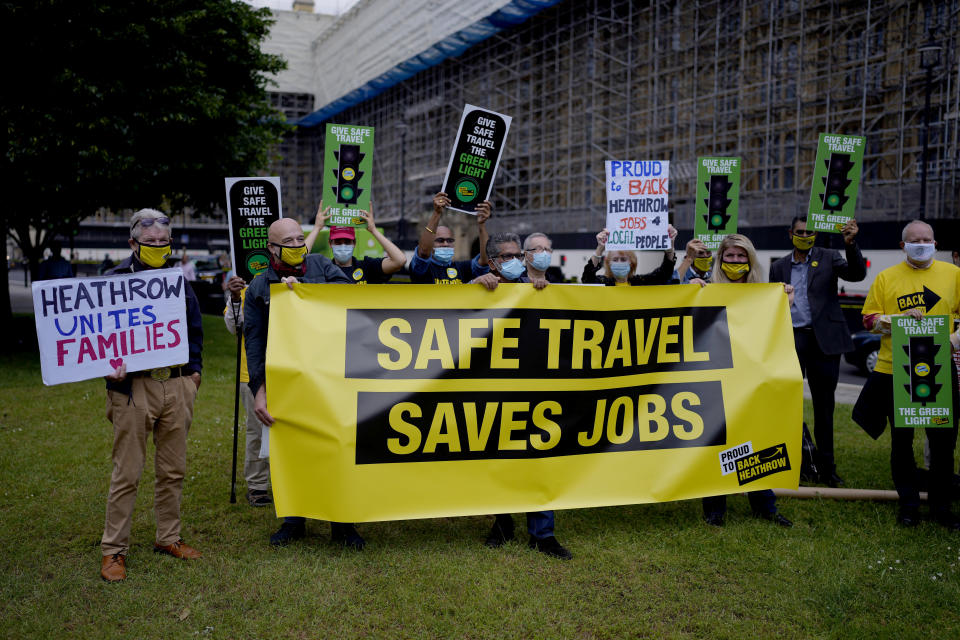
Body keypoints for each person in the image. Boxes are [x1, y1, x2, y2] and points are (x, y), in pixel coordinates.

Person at [243, 218, 367, 549]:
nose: (298, 244)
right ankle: (294, 520)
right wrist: (259, 391)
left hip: (331, 376)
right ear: (271, 248)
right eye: (289, 240)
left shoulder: (322, 266)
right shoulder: (259, 286)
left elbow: (349, 299)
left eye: (301, 237)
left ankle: (342, 523)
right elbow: (254, 344)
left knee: (337, 448)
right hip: (289, 380)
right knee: (291, 452)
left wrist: (309, 294)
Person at [99, 209, 204, 582]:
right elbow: (98, 337)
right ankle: (113, 550)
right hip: (133, 389)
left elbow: (194, 328)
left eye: (164, 242)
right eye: (150, 242)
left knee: (172, 470)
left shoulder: (178, 281)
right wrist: (107, 366)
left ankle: (168, 538)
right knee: (127, 472)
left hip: (176, 385)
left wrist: (194, 374)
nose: (159, 247)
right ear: (133, 243)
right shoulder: (112, 282)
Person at [852, 220, 960, 529]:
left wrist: (952, 341)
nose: (923, 243)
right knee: (902, 441)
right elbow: (868, 320)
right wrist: (896, 320)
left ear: (936, 243)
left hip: (939, 368)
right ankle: (909, 505)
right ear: (903, 246)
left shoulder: (954, 275)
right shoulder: (886, 278)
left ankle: (941, 508)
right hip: (894, 370)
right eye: (916, 240)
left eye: (928, 239)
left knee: (942, 441)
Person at [470, 232, 571, 559]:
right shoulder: (481, 286)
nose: (517, 260)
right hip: (495, 388)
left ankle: (543, 534)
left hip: (537, 387)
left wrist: (541, 290)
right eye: (508, 255)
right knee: (499, 460)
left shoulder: (538, 286)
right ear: (494, 262)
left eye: (518, 254)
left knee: (539, 459)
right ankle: (502, 523)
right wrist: (474, 288)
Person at [695, 234, 793, 528]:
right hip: (716, 376)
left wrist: (785, 300)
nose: (735, 262)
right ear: (720, 259)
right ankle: (715, 510)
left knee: (757, 439)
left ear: (750, 260)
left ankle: (765, 505)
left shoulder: (765, 293)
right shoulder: (705, 290)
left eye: (741, 257)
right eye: (730, 256)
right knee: (716, 441)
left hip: (753, 377)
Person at [769, 217, 866, 487]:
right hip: (792, 339)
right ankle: (797, 463)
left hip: (825, 340)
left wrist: (851, 243)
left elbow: (857, 274)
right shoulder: (777, 267)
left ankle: (827, 468)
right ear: (790, 234)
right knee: (788, 404)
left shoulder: (829, 256)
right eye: (799, 232)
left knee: (825, 407)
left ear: (815, 233)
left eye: (809, 231)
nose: (804, 235)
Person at [223, 275, 271, 507]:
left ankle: (287, 481)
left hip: (291, 373)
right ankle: (258, 485)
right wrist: (234, 296)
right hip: (251, 375)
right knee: (257, 430)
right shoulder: (243, 289)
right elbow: (234, 328)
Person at [308, 201, 406, 283]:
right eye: (338, 242)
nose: (343, 246)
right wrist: (316, 229)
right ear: (330, 244)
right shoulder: (323, 269)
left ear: (354, 243)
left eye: (347, 242)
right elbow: (298, 259)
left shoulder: (367, 267)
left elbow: (400, 261)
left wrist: (374, 230)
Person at [409, 192, 491, 284]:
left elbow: (484, 261)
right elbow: (424, 251)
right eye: (440, 240)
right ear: (431, 243)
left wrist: (481, 224)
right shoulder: (421, 268)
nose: (446, 244)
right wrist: (437, 213)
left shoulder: (462, 267)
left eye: (450, 240)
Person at [582, 227, 677, 286]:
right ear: (608, 263)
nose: (619, 262)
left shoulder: (639, 283)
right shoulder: (604, 283)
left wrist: (670, 247)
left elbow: (664, 274)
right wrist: (600, 248)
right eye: (615, 259)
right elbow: (587, 279)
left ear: (631, 262)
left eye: (623, 259)